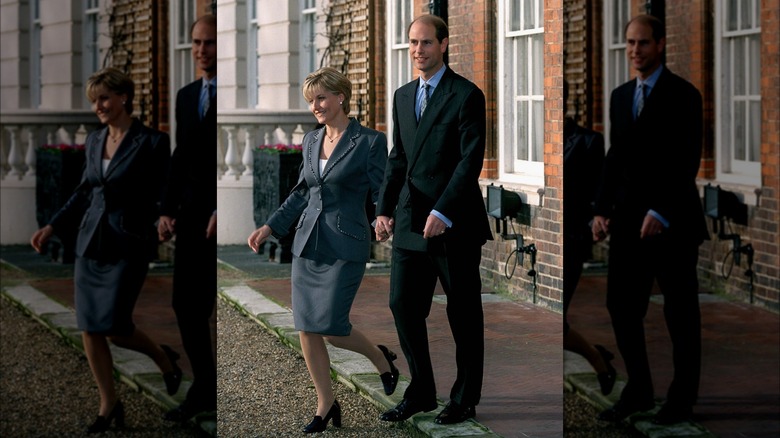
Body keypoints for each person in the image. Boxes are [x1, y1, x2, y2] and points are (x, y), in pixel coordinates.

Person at [247, 66, 399, 434]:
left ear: (340, 97)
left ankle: (382, 359)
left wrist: (382, 216)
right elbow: (302, 192)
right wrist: (270, 226)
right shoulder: (311, 141)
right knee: (307, 328)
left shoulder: (369, 142)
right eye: (311, 100)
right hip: (308, 244)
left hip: (346, 242)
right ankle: (325, 403)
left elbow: (382, 188)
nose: (315, 105)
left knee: (331, 327)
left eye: (321, 98)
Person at [30, 67, 181, 434]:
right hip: (89, 242)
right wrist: (52, 226)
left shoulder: (152, 142)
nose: (98, 106)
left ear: (123, 98)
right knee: (89, 328)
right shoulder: (95, 140)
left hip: (128, 242)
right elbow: (85, 191)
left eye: (104, 98)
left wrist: (165, 214)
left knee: (114, 327)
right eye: (94, 100)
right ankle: (108, 403)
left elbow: (166, 187)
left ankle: (164, 358)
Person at [374, 14, 492, 425]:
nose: (417, 50)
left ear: (443, 45)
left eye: (425, 43)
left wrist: (444, 211)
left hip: (453, 222)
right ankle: (422, 390)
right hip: (409, 220)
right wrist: (385, 209)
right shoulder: (403, 96)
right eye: (412, 43)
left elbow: (469, 161)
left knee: (462, 313)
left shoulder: (466, 95)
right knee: (402, 304)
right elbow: (398, 158)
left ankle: (464, 398)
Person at [591, 14, 707, 425]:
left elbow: (685, 161)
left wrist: (661, 211)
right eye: (629, 43)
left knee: (680, 315)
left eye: (642, 43)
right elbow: (615, 158)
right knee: (621, 307)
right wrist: (601, 209)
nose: (635, 51)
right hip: (627, 223)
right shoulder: (622, 96)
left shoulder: (684, 95)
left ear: (660, 45)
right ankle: (639, 389)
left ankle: (681, 400)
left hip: (673, 223)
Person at [157, 14, 218, 422]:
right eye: (196, 43)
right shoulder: (185, 94)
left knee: (216, 305)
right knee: (185, 304)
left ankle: (212, 389)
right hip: (190, 215)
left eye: (208, 43)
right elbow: (180, 158)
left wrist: (223, 206)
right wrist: (165, 208)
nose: (200, 50)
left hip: (221, 216)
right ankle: (205, 386)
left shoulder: (236, 93)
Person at [562, 80, 616, 395]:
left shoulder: (588, 142)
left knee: (557, 320)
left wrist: (598, 217)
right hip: (544, 242)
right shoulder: (536, 140)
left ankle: (598, 360)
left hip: (571, 239)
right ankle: (599, 358)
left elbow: (601, 189)